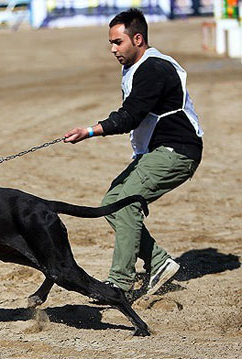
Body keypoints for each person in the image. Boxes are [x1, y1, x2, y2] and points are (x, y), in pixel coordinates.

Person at [63, 8, 203, 297]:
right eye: (111, 42)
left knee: (125, 204)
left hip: (177, 151)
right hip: (157, 151)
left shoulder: (154, 68)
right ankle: (159, 262)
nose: (112, 49)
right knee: (112, 202)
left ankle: (119, 284)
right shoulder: (137, 66)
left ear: (137, 39)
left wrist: (90, 131)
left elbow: (131, 116)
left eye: (118, 42)